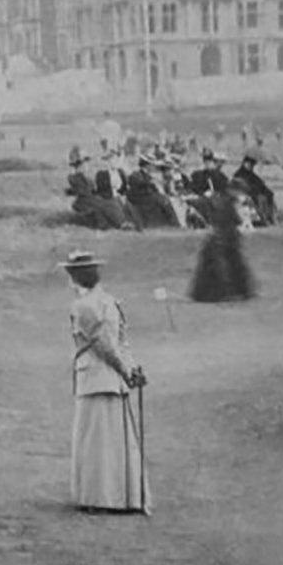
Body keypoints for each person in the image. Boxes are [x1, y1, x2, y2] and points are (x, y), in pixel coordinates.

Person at [60, 251, 149, 514]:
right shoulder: (110, 301)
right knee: (112, 438)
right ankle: (122, 496)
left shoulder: (84, 305)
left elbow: (104, 344)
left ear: (76, 278)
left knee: (96, 439)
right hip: (110, 379)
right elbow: (122, 341)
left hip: (97, 377)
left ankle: (101, 497)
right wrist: (130, 369)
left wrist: (125, 369)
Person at [189, 181, 256, 303]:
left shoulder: (226, 200)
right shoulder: (228, 202)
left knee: (233, 264)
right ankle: (225, 293)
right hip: (223, 239)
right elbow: (234, 219)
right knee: (222, 266)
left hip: (226, 237)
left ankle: (236, 292)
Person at [66, 153, 130, 230]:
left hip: (91, 199)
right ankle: (120, 224)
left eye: (86, 163)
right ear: (78, 166)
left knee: (107, 205)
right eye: (84, 164)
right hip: (83, 202)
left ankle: (118, 223)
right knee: (105, 205)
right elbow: (76, 190)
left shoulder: (85, 177)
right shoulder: (75, 177)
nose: (87, 166)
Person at [125, 155, 179, 229]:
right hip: (139, 198)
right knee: (163, 200)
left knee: (164, 199)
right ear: (147, 165)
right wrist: (151, 183)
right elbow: (137, 184)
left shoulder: (148, 175)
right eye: (151, 164)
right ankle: (175, 224)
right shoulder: (136, 174)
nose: (153, 166)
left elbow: (153, 188)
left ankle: (174, 224)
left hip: (148, 197)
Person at [233, 153, 276, 226]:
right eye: (250, 164)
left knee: (269, 194)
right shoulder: (240, 174)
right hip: (247, 194)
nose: (252, 166)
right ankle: (262, 218)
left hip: (254, 192)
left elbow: (259, 183)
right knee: (261, 198)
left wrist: (265, 190)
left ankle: (270, 217)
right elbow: (243, 186)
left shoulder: (251, 174)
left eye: (253, 165)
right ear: (245, 163)